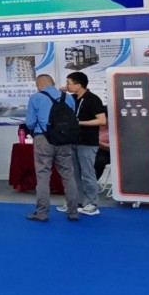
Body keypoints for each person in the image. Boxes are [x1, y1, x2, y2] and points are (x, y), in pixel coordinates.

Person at [24, 75, 81, 222]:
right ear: (53, 83)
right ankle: (73, 212)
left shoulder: (36, 98)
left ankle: (42, 212)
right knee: (68, 175)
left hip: (43, 139)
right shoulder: (68, 98)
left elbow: (30, 122)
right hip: (64, 140)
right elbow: (72, 118)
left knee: (43, 175)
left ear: (38, 85)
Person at [66, 72, 107, 216]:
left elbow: (102, 120)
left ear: (78, 85)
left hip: (88, 142)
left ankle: (92, 203)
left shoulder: (93, 99)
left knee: (88, 173)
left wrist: (80, 123)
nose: (67, 86)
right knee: (74, 174)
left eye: (69, 83)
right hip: (73, 140)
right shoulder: (72, 99)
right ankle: (78, 202)